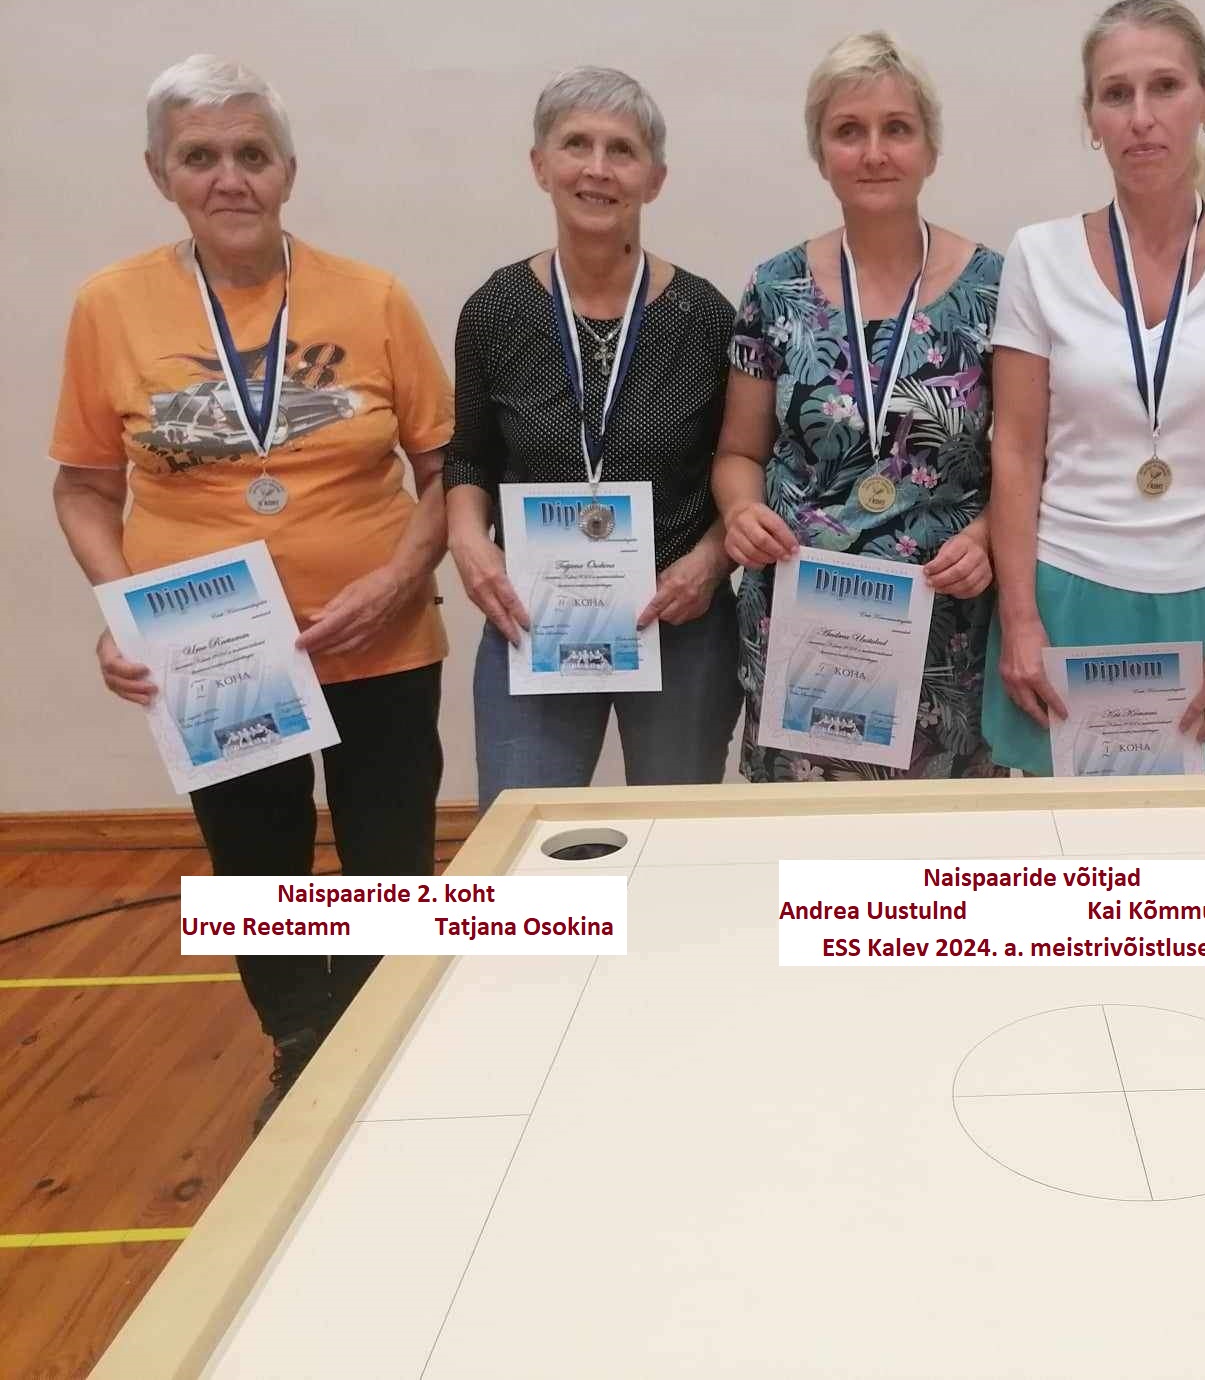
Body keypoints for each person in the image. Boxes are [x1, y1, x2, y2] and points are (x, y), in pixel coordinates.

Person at [49, 55, 453, 1127]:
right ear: (159, 175)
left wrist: (400, 579)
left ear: (287, 171)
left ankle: (381, 1044)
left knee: (389, 863)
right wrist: (125, 613)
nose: (229, 178)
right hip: (213, 657)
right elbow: (83, 488)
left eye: (251, 155)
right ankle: (302, 1047)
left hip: (379, 640)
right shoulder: (110, 306)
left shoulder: (372, 296)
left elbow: (445, 470)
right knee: (256, 865)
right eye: (200, 157)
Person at [984, 0, 1205, 774]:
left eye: (1165, 87)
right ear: (1091, 117)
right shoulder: (1038, 256)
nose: (1141, 117)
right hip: (1067, 589)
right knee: (1063, 838)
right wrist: (1020, 618)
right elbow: (1017, 451)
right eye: (1116, 93)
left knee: (1197, 843)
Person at [446, 67, 739, 808]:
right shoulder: (494, 310)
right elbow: (470, 456)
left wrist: (709, 564)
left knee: (677, 837)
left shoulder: (705, 316)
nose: (598, 169)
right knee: (525, 832)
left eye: (623, 150)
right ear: (540, 164)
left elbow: (740, 463)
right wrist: (469, 544)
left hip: (677, 617)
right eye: (576, 144)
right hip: (534, 616)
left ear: (655, 178)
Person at [714, 31, 1000, 780]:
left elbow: (1034, 457)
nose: (874, 153)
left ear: (931, 149)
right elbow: (739, 452)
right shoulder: (775, 288)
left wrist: (990, 535)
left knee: (943, 846)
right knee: (805, 843)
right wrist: (741, 511)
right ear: (821, 152)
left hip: (944, 634)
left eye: (896, 129)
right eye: (849, 131)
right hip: (802, 630)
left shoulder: (997, 288)